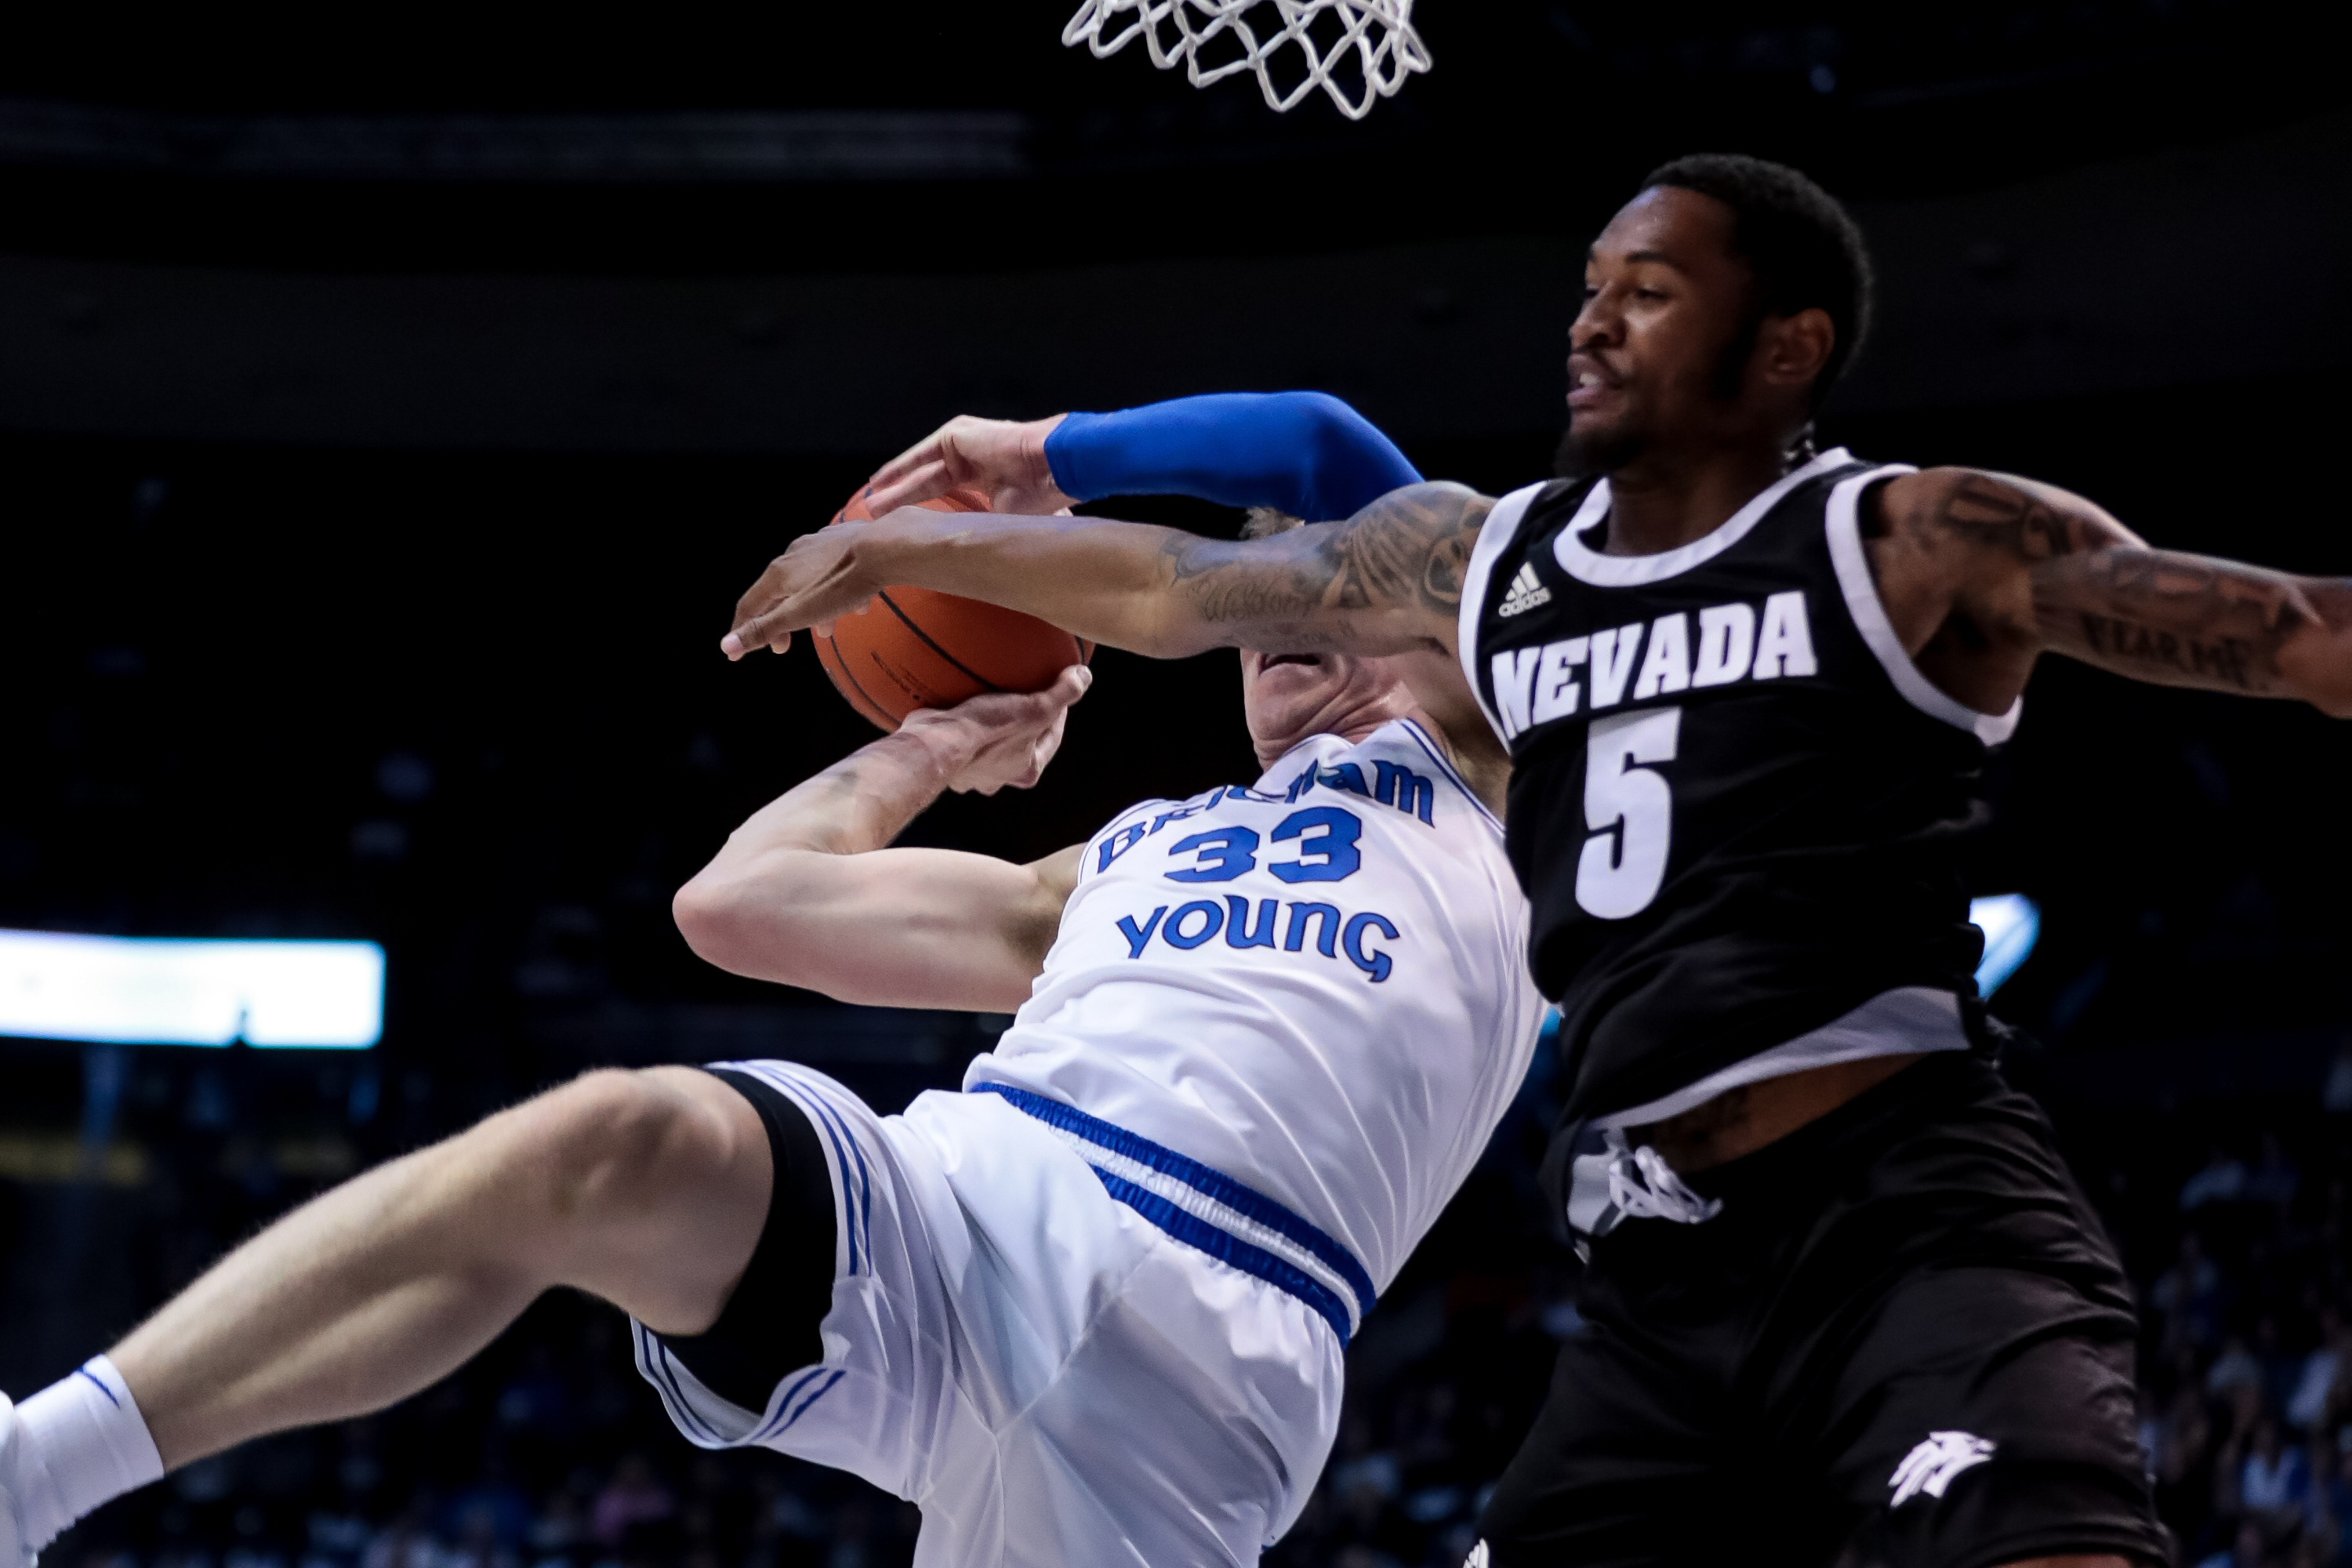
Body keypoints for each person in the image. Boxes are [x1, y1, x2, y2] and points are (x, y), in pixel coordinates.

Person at [718, 153, 2352, 1566]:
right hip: (1658, 1253)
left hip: (1902, 1189)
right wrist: (938, 555)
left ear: (1782, 348)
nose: (1588, 320)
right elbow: (1178, 580)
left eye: (1646, 291)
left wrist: (1028, 469)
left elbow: (2283, 633)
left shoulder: (1864, 557)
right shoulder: (1502, 584)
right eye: (1590, 286)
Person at [0, 397, 1543, 1568]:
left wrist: (1048, 452)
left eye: (1300, 559)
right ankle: (37, 1471)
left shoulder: (1503, 761)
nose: (1273, 583)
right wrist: (930, 748)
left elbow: (1330, 442)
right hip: (975, 1202)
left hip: (1217, 1351)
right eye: (1251, 560)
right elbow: (737, 905)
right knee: (616, 1140)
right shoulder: (1113, 859)